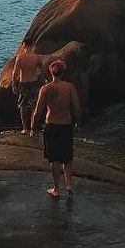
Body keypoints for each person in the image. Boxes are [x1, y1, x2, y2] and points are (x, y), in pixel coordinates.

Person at [31, 59, 82, 198]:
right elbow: (77, 108)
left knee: (54, 159)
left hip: (51, 125)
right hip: (66, 124)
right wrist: (78, 124)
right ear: (63, 72)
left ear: (51, 72)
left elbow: (37, 111)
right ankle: (69, 185)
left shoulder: (45, 88)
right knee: (67, 158)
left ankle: (56, 189)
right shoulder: (70, 87)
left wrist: (33, 128)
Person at [12, 38, 45, 135]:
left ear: (23, 45)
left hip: (23, 84)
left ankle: (24, 128)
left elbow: (15, 72)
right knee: (34, 107)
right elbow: (41, 71)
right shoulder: (36, 57)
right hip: (34, 83)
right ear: (33, 45)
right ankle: (33, 129)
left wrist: (14, 84)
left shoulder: (20, 57)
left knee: (23, 106)